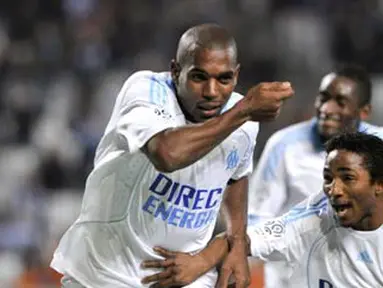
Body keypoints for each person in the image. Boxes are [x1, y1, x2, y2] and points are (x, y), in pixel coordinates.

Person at [50, 23, 294, 288]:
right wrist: (243, 111)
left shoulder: (244, 120)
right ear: (176, 71)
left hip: (185, 275)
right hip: (105, 273)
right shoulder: (145, 90)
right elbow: (167, 154)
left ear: (236, 75)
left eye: (224, 79)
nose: (212, 92)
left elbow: (237, 175)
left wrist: (235, 243)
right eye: (199, 77)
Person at [141, 132, 383, 288]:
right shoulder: (315, 219)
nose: (334, 190)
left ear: (379, 184)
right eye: (328, 178)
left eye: (348, 178)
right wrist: (201, 261)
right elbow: (242, 240)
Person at [247, 64, 383, 287]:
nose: (327, 108)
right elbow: (258, 215)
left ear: (364, 111)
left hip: (359, 269)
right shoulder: (283, 145)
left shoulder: (379, 146)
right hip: (291, 274)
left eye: (340, 102)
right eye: (323, 98)